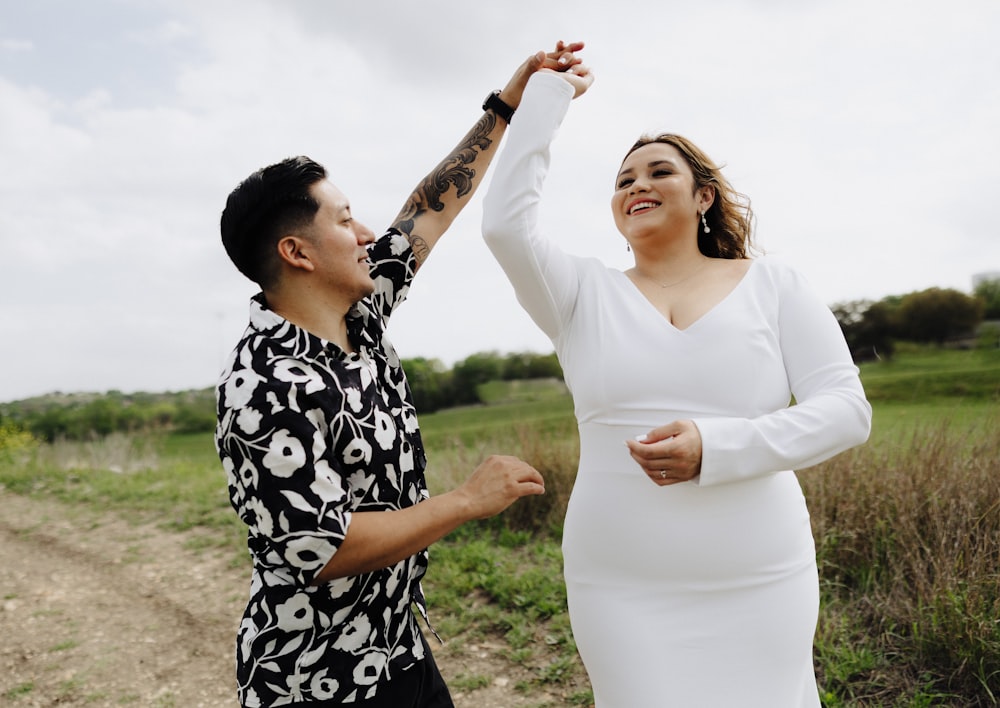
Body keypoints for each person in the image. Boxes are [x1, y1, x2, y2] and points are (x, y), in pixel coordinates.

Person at [481, 68, 872, 706]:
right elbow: (504, 226)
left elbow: (846, 413)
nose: (637, 184)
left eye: (659, 172)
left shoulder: (776, 286)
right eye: (623, 180)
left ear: (704, 197)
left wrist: (716, 449)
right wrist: (546, 94)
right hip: (620, 584)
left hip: (762, 576)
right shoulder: (580, 294)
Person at [215, 42, 583, 708]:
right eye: (343, 217)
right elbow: (322, 547)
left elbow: (429, 208)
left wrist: (508, 102)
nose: (364, 233)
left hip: (396, 649)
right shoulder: (263, 383)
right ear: (296, 252)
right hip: (314, 679)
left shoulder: (362, 315)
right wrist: (468, 500)